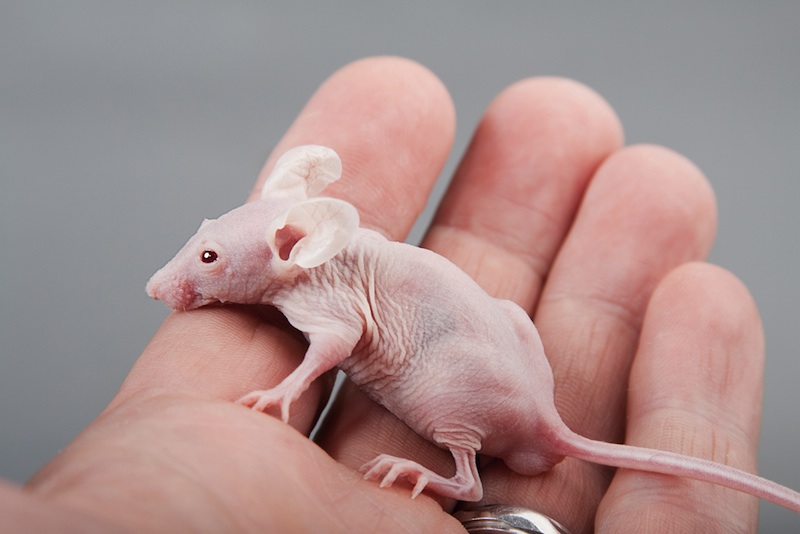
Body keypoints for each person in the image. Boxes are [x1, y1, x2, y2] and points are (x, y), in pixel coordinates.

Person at [0, 56, 764, 533]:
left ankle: (462, 471)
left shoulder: (308, 285)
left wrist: (289, 387)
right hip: (502, 353)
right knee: (500, 319)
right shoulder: (302, 266)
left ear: (291, 251)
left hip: (480, 393)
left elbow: (336, 340)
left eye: (207, 260)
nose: (179, 278)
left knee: (453, 380)